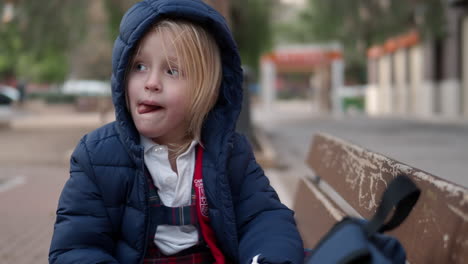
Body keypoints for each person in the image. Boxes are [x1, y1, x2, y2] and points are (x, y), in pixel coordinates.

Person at [49, 0, 303, 263]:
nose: (151, 83)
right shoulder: (97, 156)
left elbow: (264, 217)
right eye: (139, 66)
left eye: (172, 71)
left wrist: (268, 257)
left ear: (208, 90)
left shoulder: (229, 153)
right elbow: (77, 247)